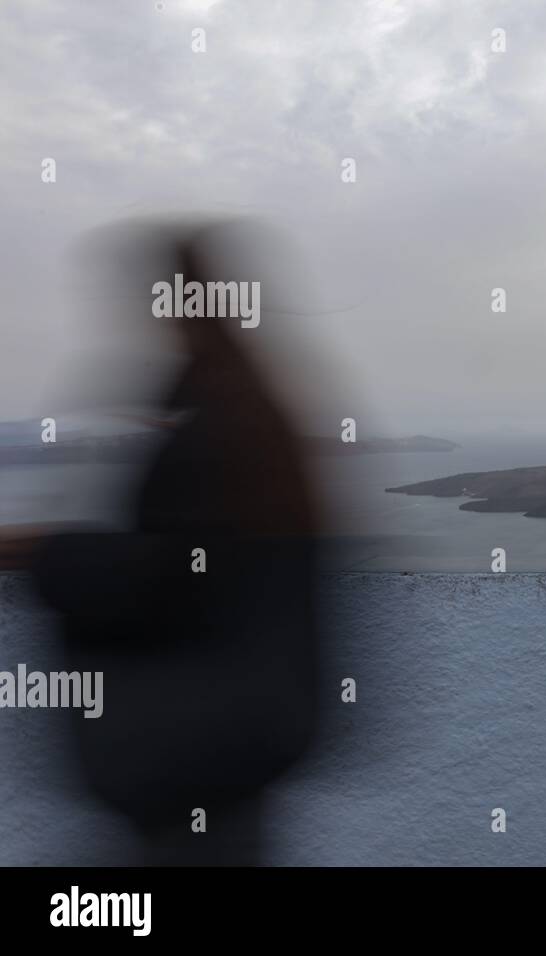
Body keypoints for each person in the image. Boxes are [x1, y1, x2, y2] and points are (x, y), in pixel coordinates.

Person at [0, 222, 322, 864]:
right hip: (241, 746)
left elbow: (175, 574)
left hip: (192, 753)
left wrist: (41, 553)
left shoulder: (217, 420)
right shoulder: (255, 409)